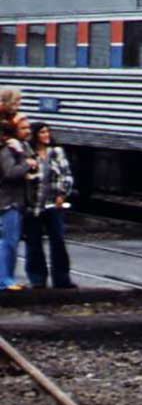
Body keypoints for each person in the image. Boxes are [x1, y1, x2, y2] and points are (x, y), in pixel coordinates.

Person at [23, 124, 73, 290]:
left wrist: (62, 193)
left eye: (48, 132)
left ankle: (62, 279)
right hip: (33, 206)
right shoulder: (28, 154)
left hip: (53, 205)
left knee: (58, 241)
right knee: (34, 242)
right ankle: (37, 279)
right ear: (35, 135)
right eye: (42, 132)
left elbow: (66, 175)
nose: (46, 135)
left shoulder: (57, 152)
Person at [0, 116, 27, 292]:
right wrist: (27, 164)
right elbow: (10, 172)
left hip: (11, 201)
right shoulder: (6, 152)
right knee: (9, 242)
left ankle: (6, 279)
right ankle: (5, 280)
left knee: (10, 241)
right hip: (9, 202)